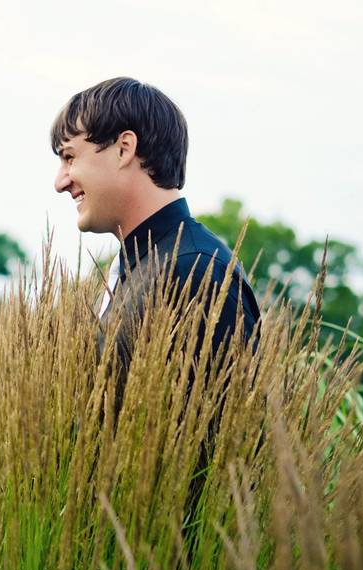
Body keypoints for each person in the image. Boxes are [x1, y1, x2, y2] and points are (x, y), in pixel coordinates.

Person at [51, 76, 261, 392]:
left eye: (70, 157)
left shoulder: (193, 270)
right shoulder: (137, 266)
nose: (60, 182)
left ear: (123, 149)